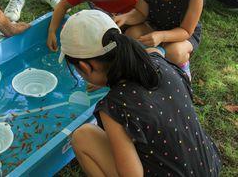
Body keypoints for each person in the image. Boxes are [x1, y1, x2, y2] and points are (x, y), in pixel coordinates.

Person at [58, 10, 221, 176]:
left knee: (82, 136)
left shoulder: (114, 106)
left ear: (85, 67)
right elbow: (153, 52)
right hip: (207, 166)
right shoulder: (161, 63)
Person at [115, 0, 204, 79]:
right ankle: (143, 64)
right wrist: (125, 18)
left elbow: (186, 31)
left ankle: (182, 66)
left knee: (174, 53)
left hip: (182, 35)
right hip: (155, 25)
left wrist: (162, 36)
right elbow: (141, 13)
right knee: (131, 34)